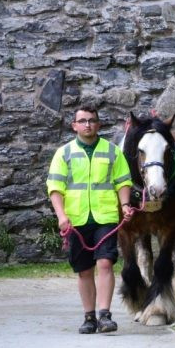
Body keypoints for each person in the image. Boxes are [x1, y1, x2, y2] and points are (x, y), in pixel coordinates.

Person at [46, 105, 135, 334]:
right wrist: (62, 216)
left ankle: (105, 316)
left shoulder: (112, 151)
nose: (88, 125)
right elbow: (55, 187)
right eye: (83, 121)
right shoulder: (63, 153)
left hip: (105, 216)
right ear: (74, 125)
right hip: (76, 220)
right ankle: (89, 317)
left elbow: (123, 181)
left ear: (99, 124)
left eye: (92, 120)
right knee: (84, 270)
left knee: (105, 262)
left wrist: (125, 205)